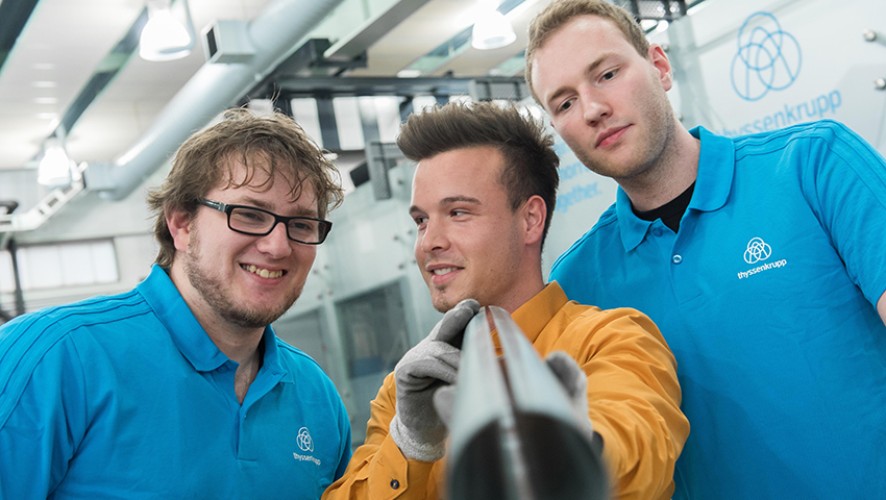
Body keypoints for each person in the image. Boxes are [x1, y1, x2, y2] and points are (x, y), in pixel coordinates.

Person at [525, 1, 886, 498]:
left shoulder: (813, 165)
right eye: (563, 103)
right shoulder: (578, 282)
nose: (591, 109)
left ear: (659, 65)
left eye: (607, 74)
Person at [323, 101, 688, 499]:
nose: (429, 242)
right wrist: (410, 443)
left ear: (530, 219)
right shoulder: (407, 390)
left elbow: (638, 447)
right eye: (421, 220)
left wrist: (559, 444)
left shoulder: (611, 340)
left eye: (458, 212)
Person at [0, 108, 352, 498]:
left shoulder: (315, 396)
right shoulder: (56, 358)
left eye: (301, 225)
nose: (278, 246)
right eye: (250, 215)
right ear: (181, 224)